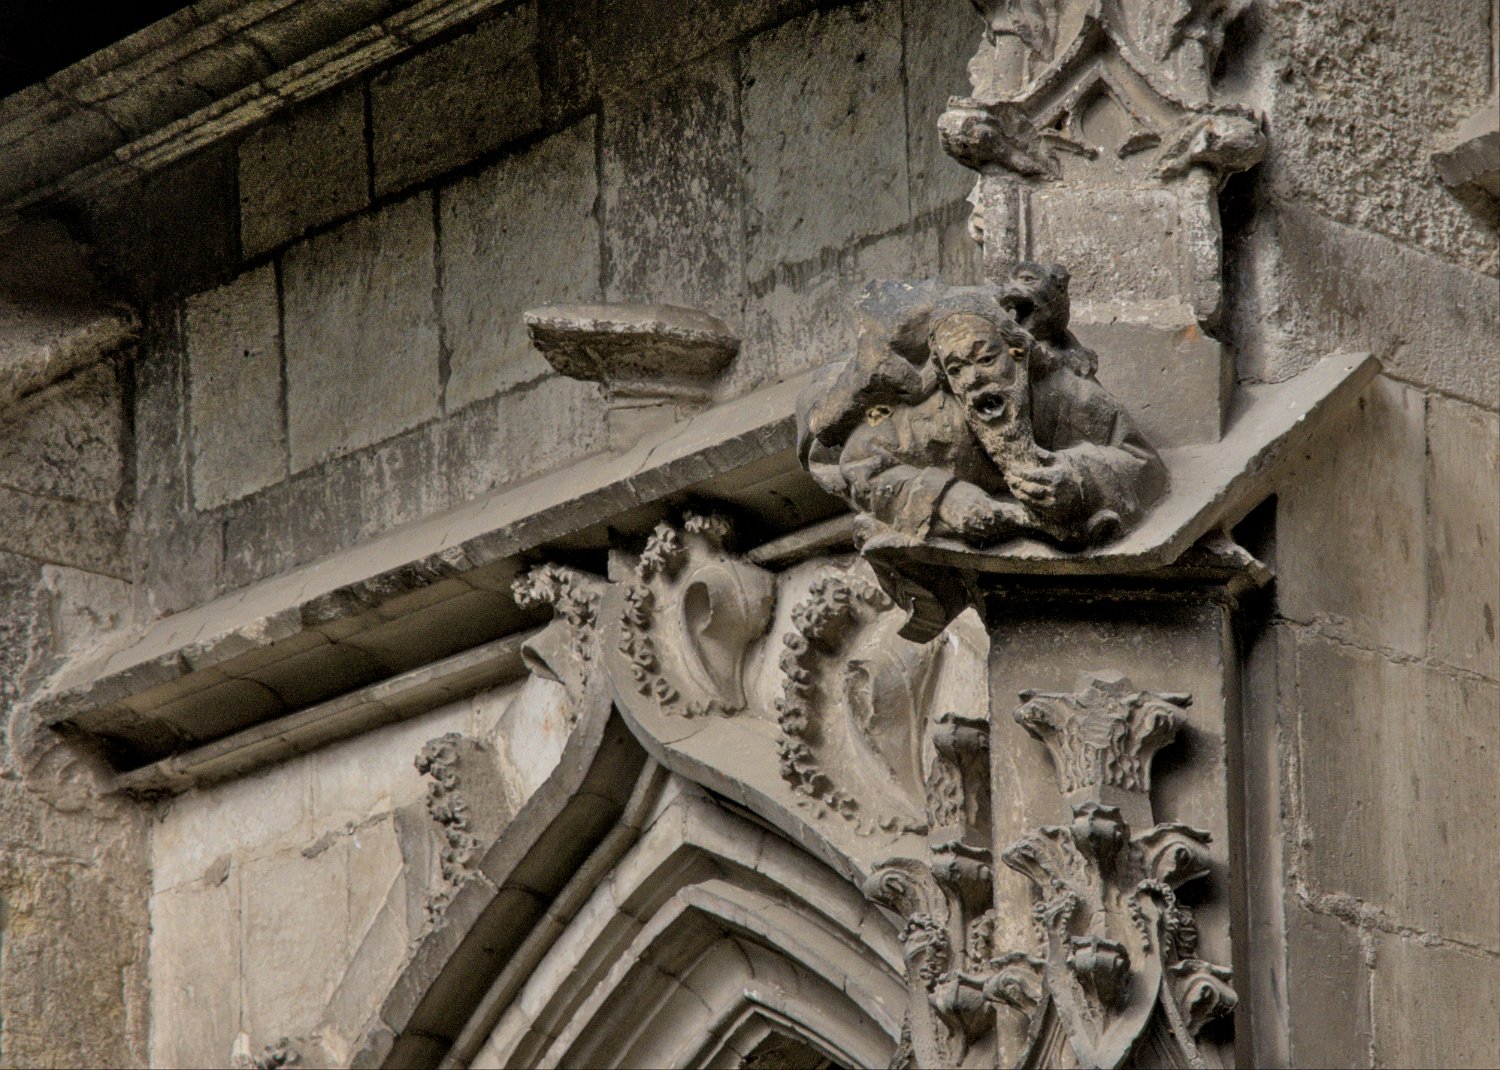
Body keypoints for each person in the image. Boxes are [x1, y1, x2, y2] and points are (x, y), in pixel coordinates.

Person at [800, 283, 1164, 549]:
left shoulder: (1064, 394)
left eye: (987, 359)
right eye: (956, 369)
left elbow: (1145, 464)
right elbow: (861, 464)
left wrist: (1077, 479)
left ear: (1017, 353)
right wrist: (945, 499)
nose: (973, 379)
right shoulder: (933, 420)